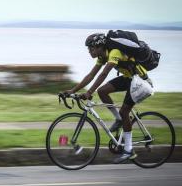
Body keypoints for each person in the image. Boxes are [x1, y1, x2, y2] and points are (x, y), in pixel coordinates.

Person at [63, 33, 152, 163]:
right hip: (129, 79)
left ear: (100, 46)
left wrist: (89, 92)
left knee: (124, 111)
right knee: (102, 91)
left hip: (140, 82)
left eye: (91, 48)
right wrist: (72, 90)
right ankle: (119, 119)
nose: (89, 51)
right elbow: (91, 75)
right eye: (88, 49)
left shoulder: (114, 52)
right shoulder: (102, 56)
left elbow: (104, 74)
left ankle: (129, 151)